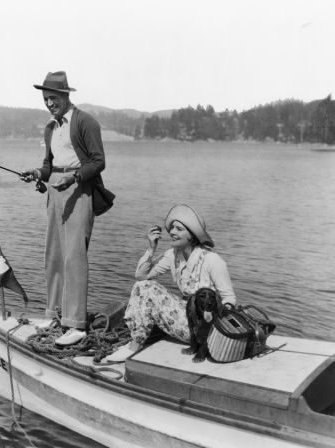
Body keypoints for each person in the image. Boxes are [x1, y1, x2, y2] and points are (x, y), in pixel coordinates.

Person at [20, 71, 107, 346]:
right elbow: (49, 165)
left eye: (53, 98)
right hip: (55, 191)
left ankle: (76, 324)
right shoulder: (50, 128)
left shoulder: (85, 122)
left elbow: (98, 161)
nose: (49, 104)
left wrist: (75, 177)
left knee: (74, 256)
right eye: (46, 99)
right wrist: (37, 173)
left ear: (66, 96)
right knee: (54, 255)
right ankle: (55, 314)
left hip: (79, 189)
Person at [107, 204, 237, 361]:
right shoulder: (172, 255)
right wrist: (151, 248)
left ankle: (135, 344)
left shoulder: (212, 260)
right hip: (185, 315)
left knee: (148, 290)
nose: (172, 232)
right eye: (172, 228)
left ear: (192, 235)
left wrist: (217, 326)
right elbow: (141, 276)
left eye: (179, 229)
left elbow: (229, 298)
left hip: (205, 329)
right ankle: (137, 340)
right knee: (142, 286)